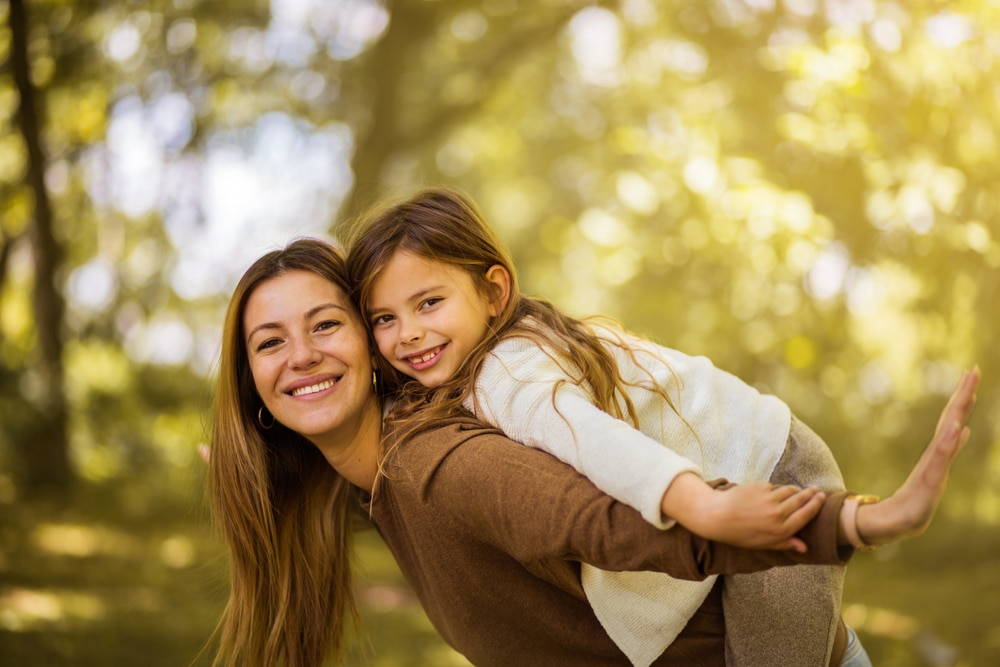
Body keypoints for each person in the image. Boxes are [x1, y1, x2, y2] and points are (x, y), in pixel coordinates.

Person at [206, 237, 979, 667]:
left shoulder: (445, 457)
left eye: (326, 325)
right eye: (270, 343)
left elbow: (594, 515)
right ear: (249, 383)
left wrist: (852, 524)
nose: (300, 355)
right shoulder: (374, 479)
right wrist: (250, 473)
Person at [345, 187, 855, 665]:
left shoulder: (510, 370)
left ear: (494, 291)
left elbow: (594, 443)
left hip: (776, 468)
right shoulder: (473, 363)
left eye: (429, 302)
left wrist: (704, 504)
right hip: (736, 461)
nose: (408, 334)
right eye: (383, 319)